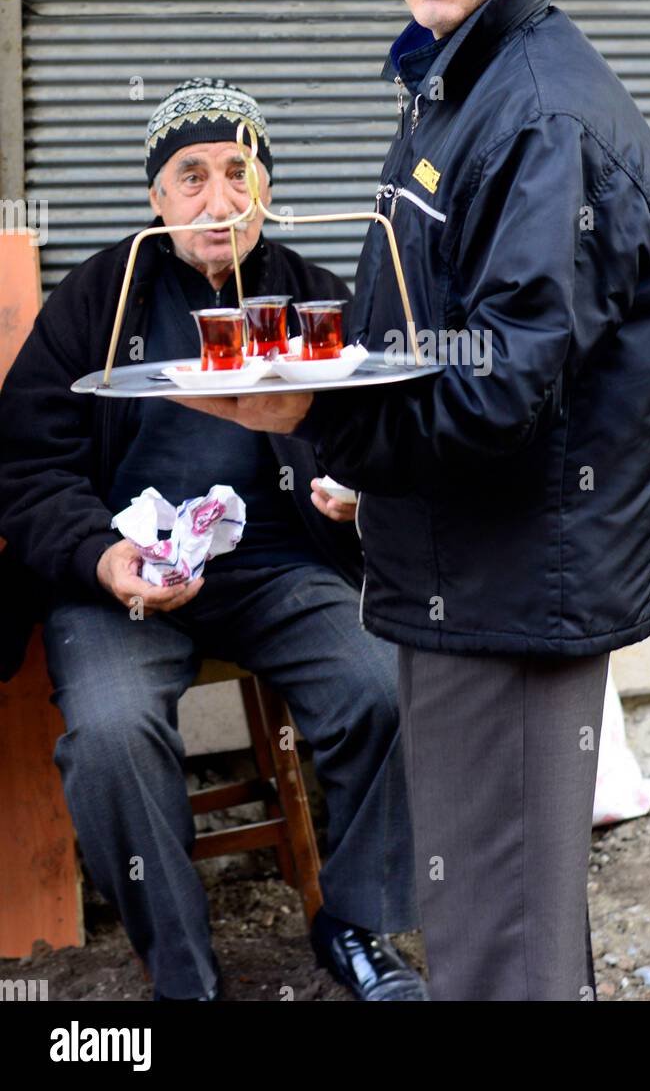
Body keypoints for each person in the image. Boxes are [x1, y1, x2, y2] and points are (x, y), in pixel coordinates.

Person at [161, 0, 650, 1002]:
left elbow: (505, 385)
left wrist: (324, 419)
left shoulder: (542, 114)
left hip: (512, 583)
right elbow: (443, 324)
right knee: (508, 926)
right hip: (463, 559)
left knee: (499, 943)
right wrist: (363, 455)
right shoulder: (465, 78)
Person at [0, 78, 428, 1001]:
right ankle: (183, 973)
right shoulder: (97, 301)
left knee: (387, 686)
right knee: (111, 737)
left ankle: (356, 924)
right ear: (157, 197)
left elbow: (382, 438)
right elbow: (25, 467)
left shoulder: (312, 297)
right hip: (122, 581)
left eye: (240, 173)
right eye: (191, 177)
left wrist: (356, 490)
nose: (219, 201)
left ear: (266, 188)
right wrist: (103, 558)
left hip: (281, 566)